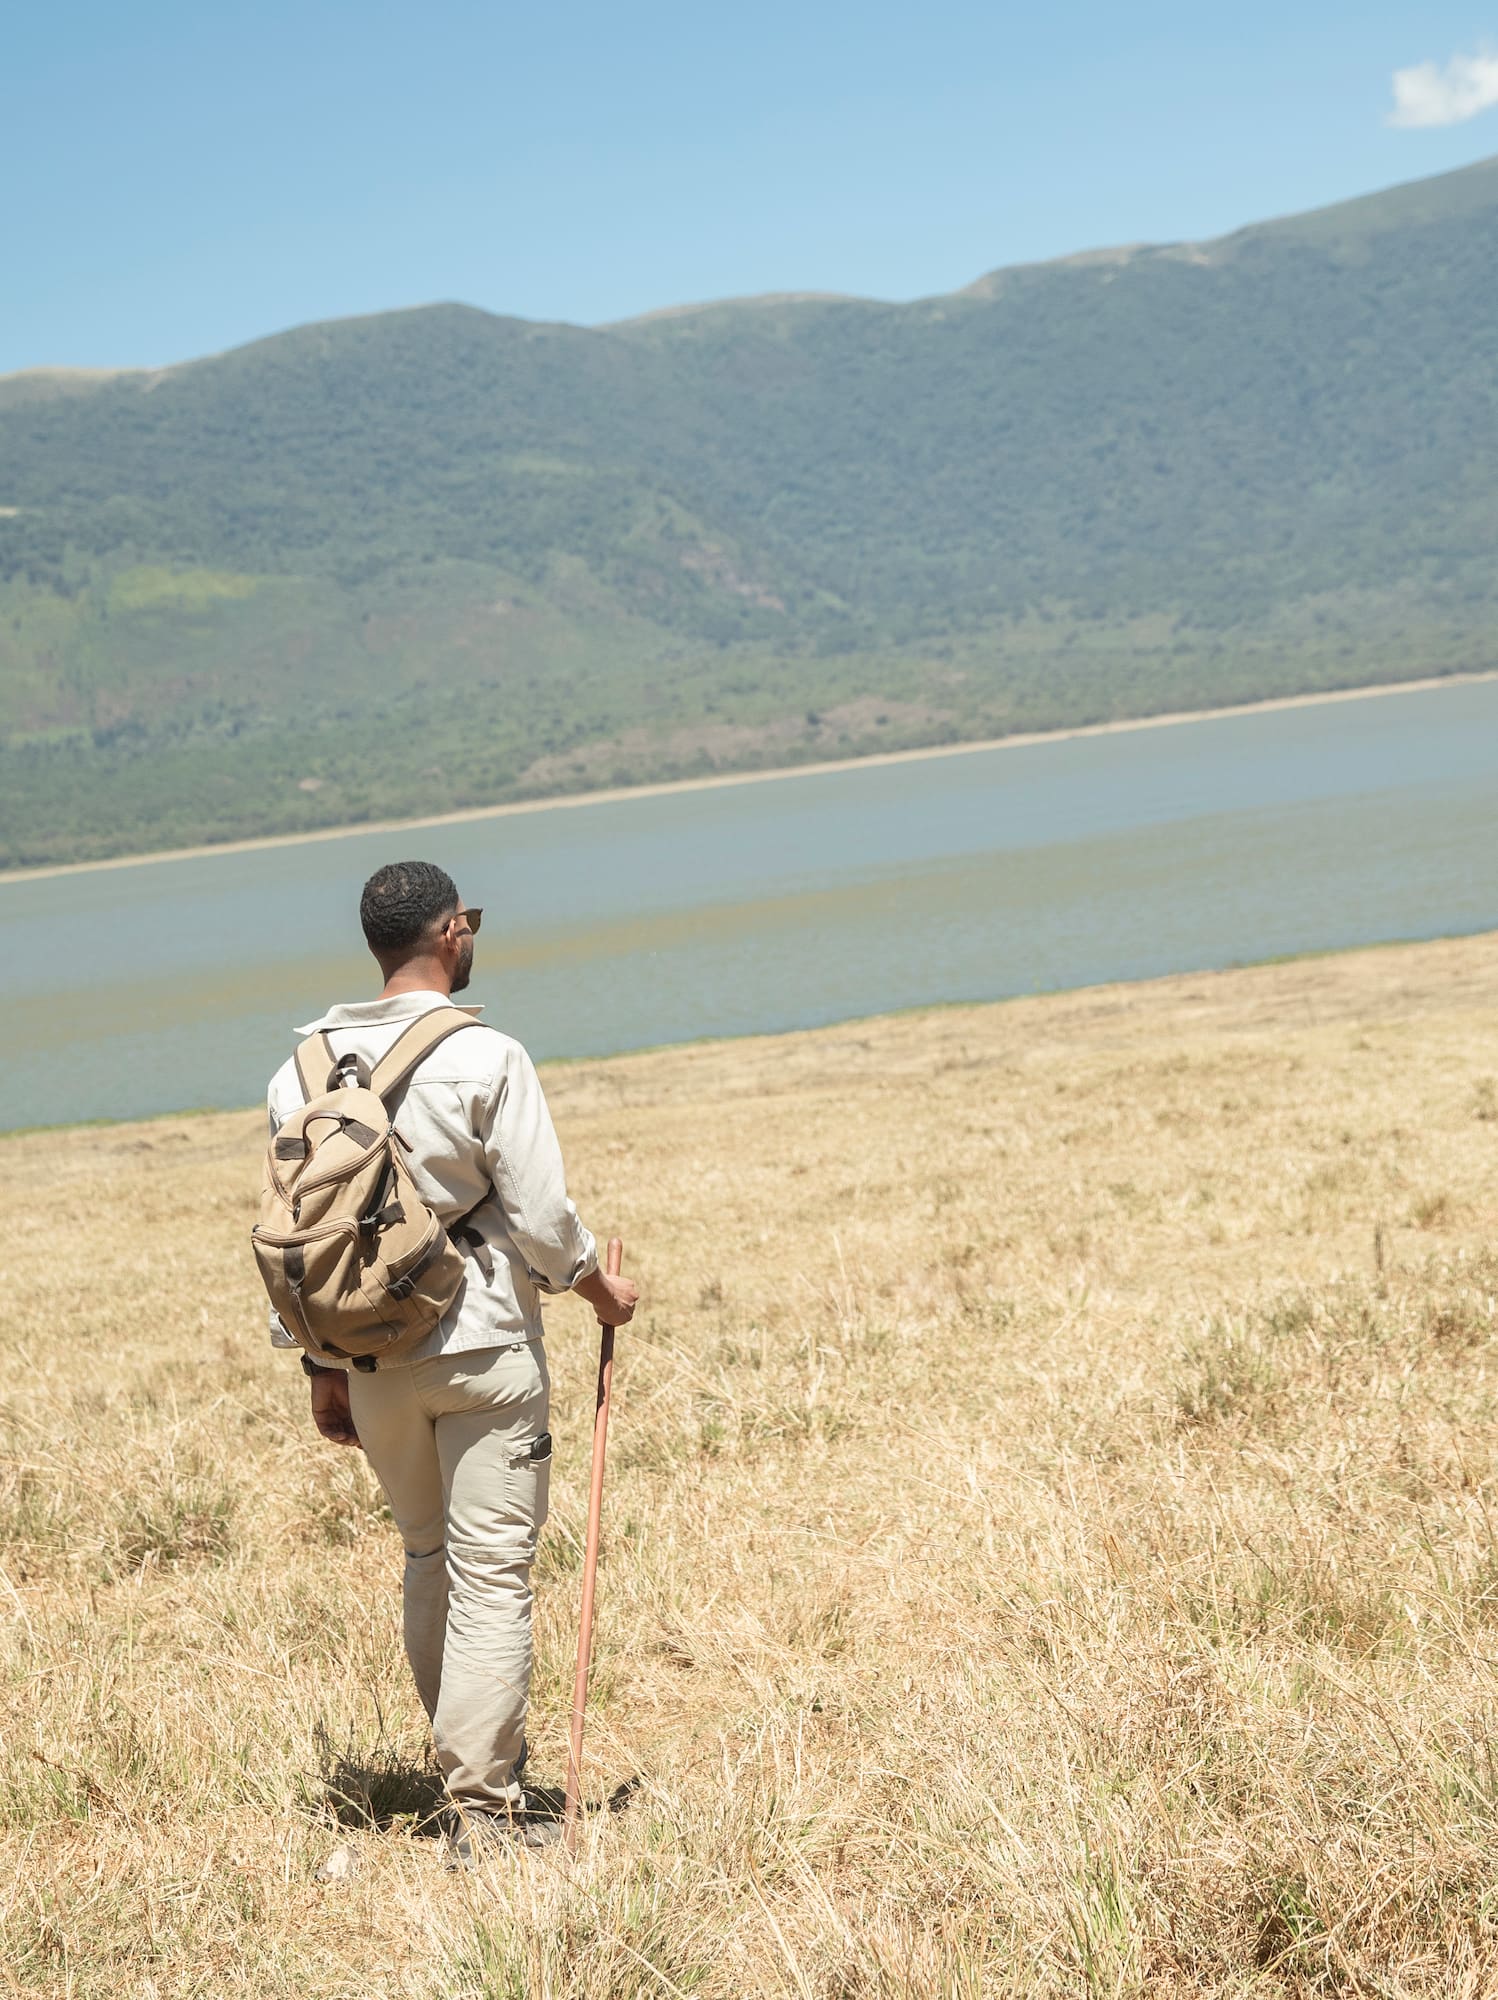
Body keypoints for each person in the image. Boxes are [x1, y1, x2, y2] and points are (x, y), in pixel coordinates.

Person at [264, 859, 638, 1860]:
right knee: (492, 1571)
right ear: (449, 932)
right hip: (482, 1341)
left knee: (428, 1556)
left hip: (365, 1356)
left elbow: (297, 1236)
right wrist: (600, 1290)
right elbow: (544, 1219)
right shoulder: (488, 1054)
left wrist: (319, 1367)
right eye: (469, 920)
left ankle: (468, 1775)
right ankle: (485, 1808)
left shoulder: (298, 1072)